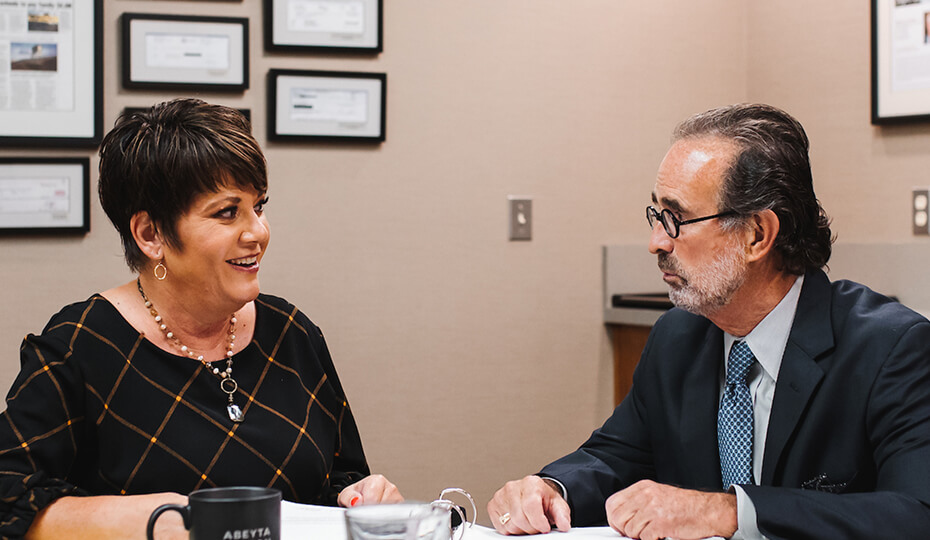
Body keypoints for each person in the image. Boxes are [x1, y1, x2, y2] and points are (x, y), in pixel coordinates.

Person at [487, 103, 930, 539]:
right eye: (656, 215)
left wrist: (733, 512)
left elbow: (916, 512)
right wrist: (549, 488)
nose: (655, 242)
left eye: (676, 218)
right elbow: (615, 457)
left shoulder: (892, 347)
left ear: (758, 234)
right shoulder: (676, 336)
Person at [0, 98, 403, 539]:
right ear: (151, 235)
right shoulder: (79, 346)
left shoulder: (292, 332)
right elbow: (10, 498)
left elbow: (337, 482)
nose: (258, 233)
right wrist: (156, 521)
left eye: (259, 207)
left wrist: (361, 497)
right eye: (227, 213)